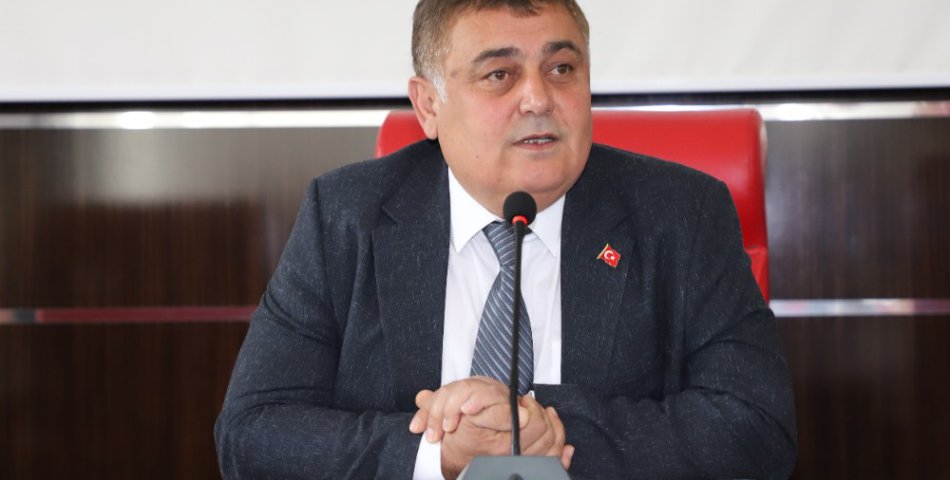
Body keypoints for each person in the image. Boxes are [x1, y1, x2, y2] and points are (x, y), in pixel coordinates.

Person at [214, 0, 797, 479]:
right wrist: (439, 454)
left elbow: (757, 428)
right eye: (500, 74)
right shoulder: (345, 215)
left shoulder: (682, 214)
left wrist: (542, 426)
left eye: (561, 69)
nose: (539, 99)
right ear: (428, 105)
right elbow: (251, 432)